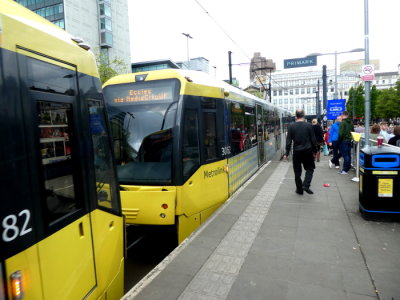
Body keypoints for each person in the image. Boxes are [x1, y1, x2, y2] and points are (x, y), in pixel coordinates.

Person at [284, 109, 317, 195]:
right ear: (304, 115)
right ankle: (306, 185)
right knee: (310, 168)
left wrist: (286, 153)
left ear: (296, 116)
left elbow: (288, 141)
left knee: (297, 171)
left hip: (297, 152)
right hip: (308, 151)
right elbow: (313, 140)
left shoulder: (291, 126)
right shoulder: (309, 126)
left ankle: (299, 189)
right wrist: (315, 151)